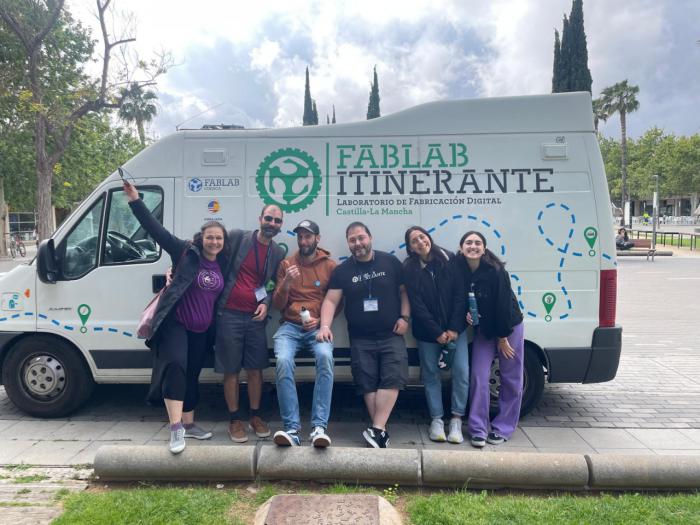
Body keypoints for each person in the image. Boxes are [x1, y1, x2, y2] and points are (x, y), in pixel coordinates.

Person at [123, 180, 230, 454]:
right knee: (176, 368)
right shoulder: (184, 251)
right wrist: (135, 200)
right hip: (176, 323)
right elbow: (155, 230)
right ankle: (175, 429)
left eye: (219, 238)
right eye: (210, 237)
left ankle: (190, 424)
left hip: (202, 328)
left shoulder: (222, 263)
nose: (214, 241)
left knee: (192, 373)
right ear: (201, 238)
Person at [317, 222, 410, 448]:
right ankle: (380, 431)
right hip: (360, 337)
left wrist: (405, 318)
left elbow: (404, 291)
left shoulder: (390, 262)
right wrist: (325, 326)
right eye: (352, 240)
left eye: (361, 238)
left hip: (391, 334)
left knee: (393, 377)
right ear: (348, 243)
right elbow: (330, 300)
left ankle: (377, 429)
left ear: (370, 238)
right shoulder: (343, 271)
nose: (357, 243)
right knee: (367, 381)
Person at [215, 205, 285, 443]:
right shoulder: (237, 237)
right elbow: (206, 249)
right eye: (268, 218)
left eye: (276, 221)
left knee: (256, 369)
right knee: (231, 370)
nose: (271, 223)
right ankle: (235, 420)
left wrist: (266, 303)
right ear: (260, 218)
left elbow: (273, 283)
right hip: (229, 314)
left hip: (256, 317)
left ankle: (255, 416)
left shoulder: (277, 252)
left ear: (280, 225)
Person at [454, 230, 524, 448]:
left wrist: (503, 337)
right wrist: (467, 314)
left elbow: (503, 306)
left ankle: (503, 427)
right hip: (484, 329)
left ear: (484, 248)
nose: (472, 246)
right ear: (461, 248)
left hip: (508, 328)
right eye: (468, 242)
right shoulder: (459, 270)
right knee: (478, 375)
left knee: (511, 377)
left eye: (477, 243)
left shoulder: (496, 271)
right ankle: (478, 429)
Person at [271, 220, 337, 447]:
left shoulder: (330, 266)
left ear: (317, 238)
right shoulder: (286, 264)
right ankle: (292, 429)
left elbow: (337, 302)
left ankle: (319, 427)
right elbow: (279, 304)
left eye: (308, 236)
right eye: (300, 237)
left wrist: (322, 321)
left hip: (317, 327)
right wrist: (287, 283)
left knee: (325, 357)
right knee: (282, 360)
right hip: (290, 327)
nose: (303, 241)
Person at [402, 226, 468, 444]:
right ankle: (437, 420)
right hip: (427, 333)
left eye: (422, 237)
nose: (420, 242)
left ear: (428, 237)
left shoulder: (450, 259)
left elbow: (460, 296)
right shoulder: (410, 268)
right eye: (414, 241)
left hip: (456, 331)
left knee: (461, 372)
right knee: (430, 374)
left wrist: (453, 328)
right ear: (410, 248)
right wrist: (437, 332)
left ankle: (457, 420)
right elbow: (417, 305)